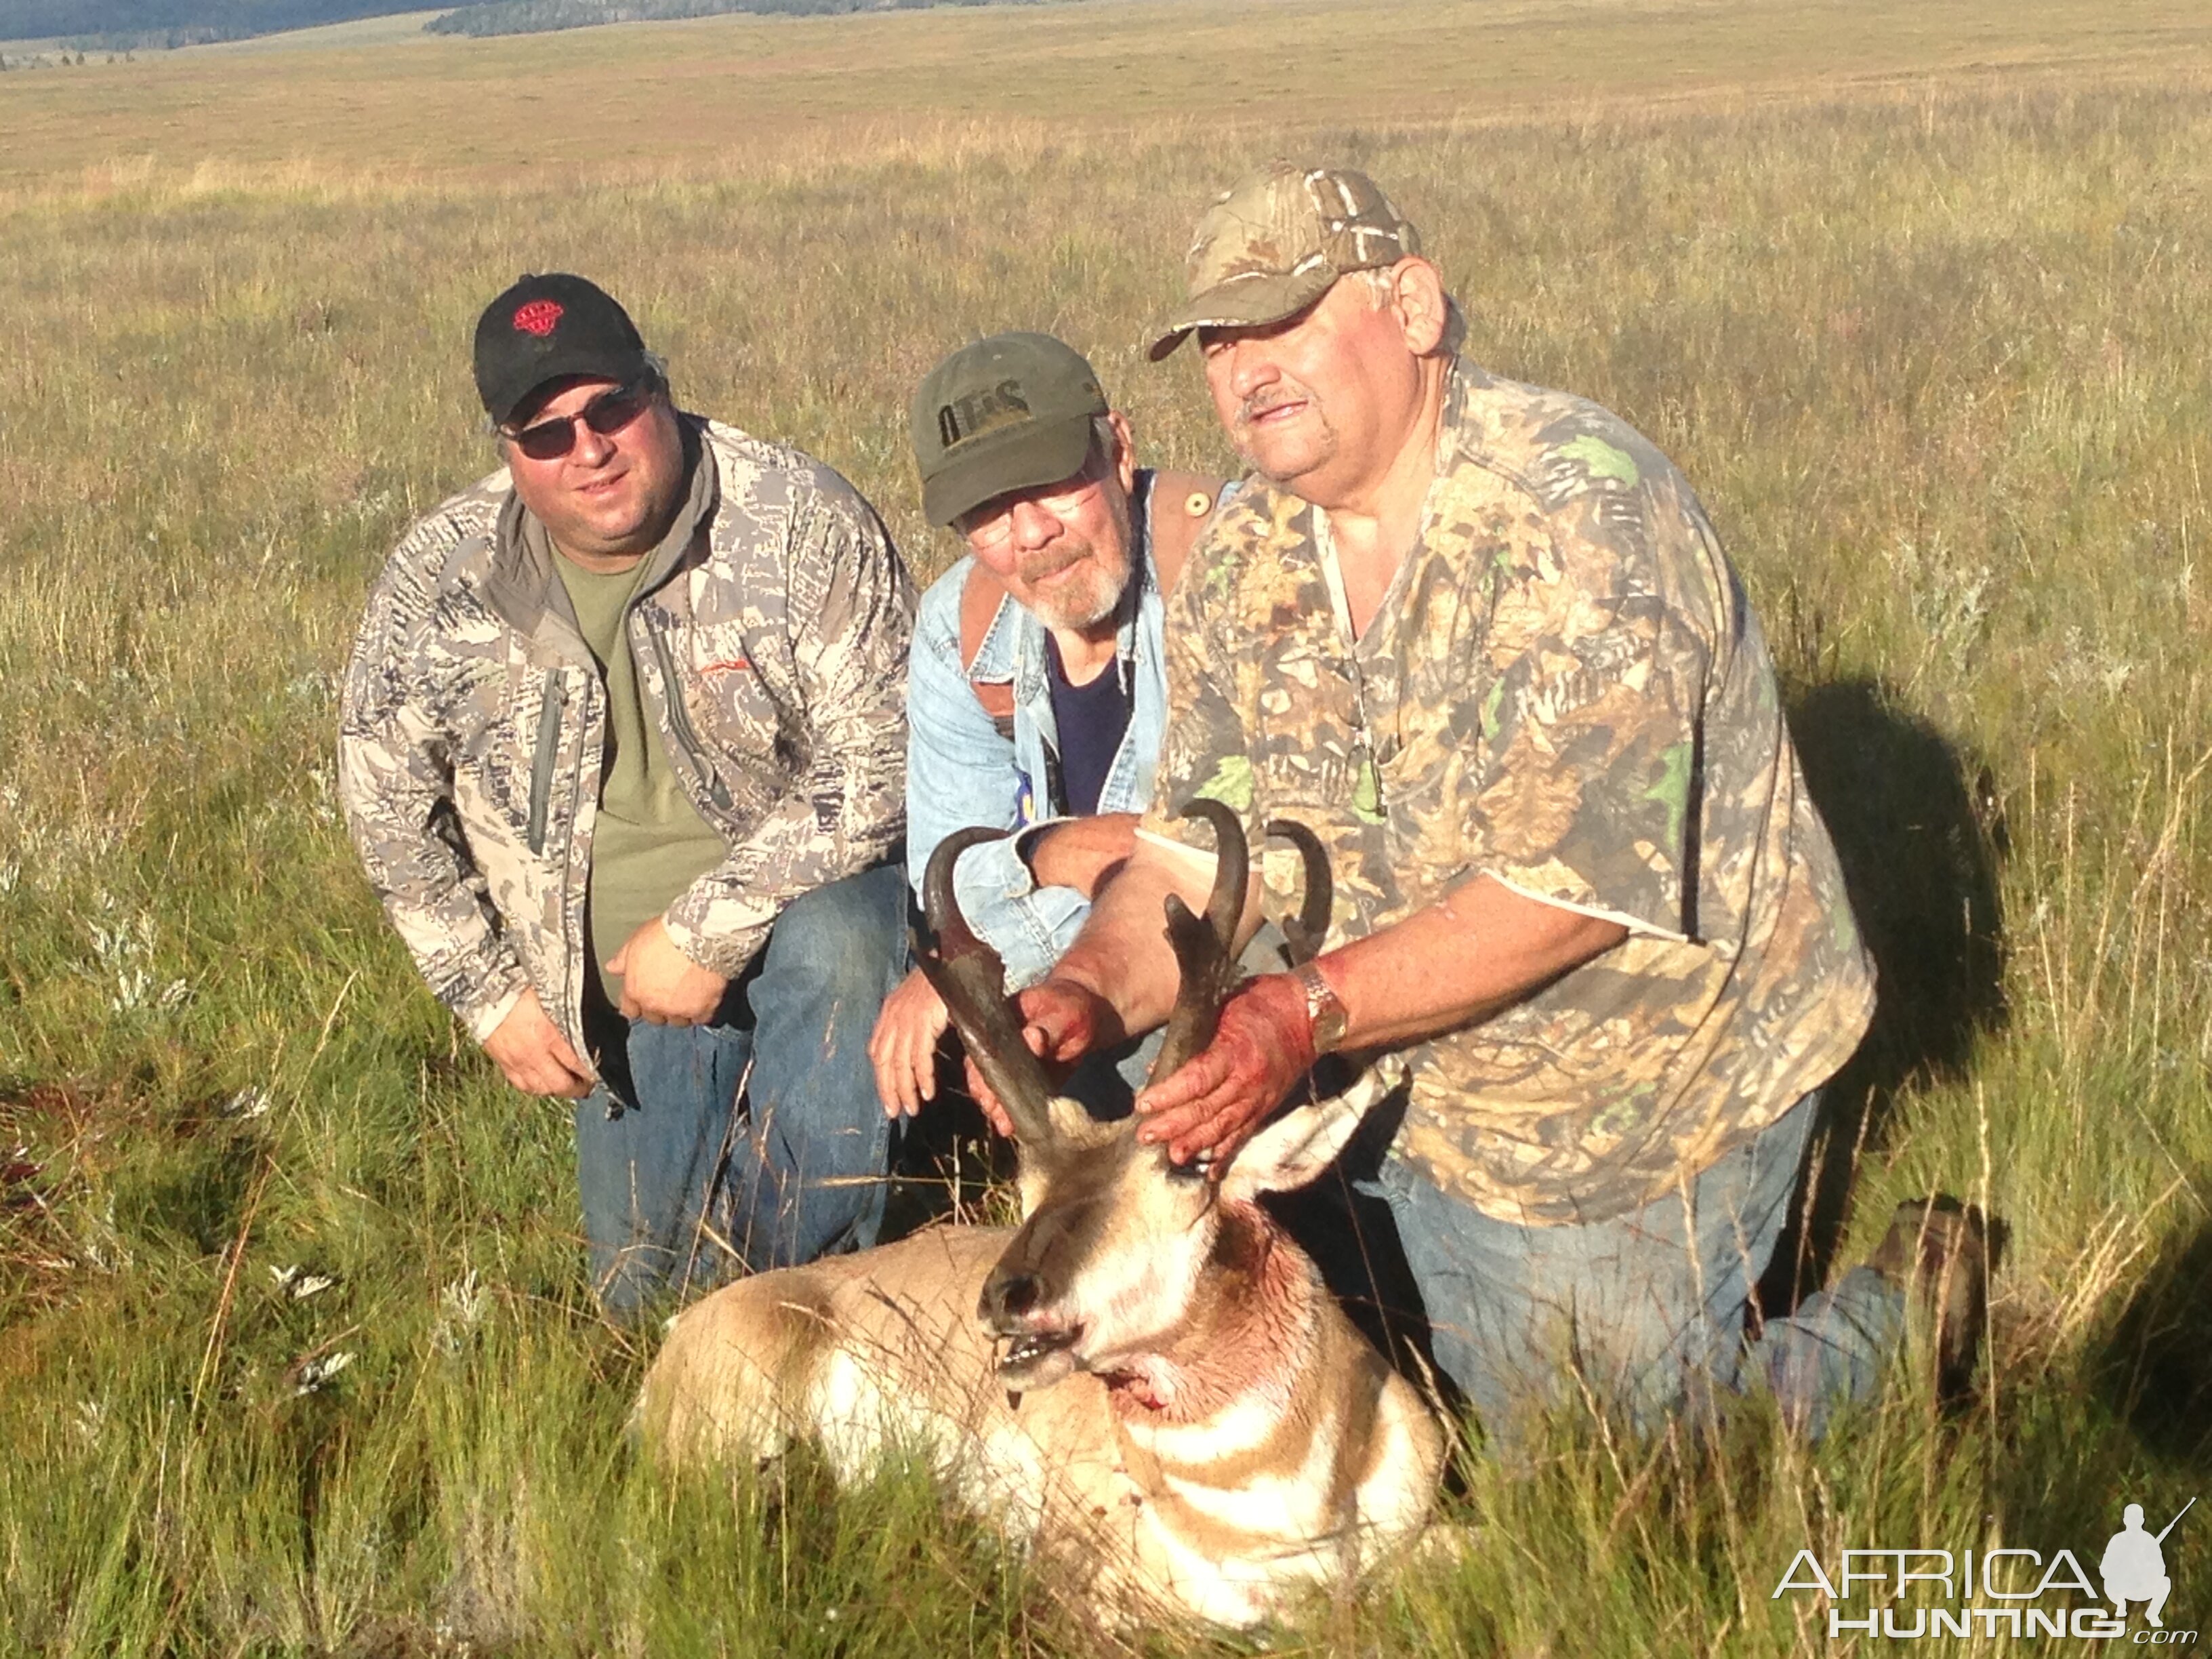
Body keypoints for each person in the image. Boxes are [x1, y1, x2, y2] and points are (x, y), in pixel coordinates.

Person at [982, 164, 1987, 1442]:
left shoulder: (1581, 513)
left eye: (1286, 321)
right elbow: (1188, 853)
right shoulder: (1245, 548)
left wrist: (1297, 1015)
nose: (1246, 371)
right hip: (1378, 1060)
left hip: (1634, 1088)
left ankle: (1906, 1314)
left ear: (1410, 305)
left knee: (1582, 1442)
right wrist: (1076, 992)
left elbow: (1564, 900)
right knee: (1270, 1311)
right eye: (1219, 344)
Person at [340, 272, 912, 1317]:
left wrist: (704, 928)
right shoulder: (444, 572)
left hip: (798, 921)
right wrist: (488, 995)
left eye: (611, 409)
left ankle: (794, 1309)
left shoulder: (799, 520)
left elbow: (879, 763)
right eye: (546, 434)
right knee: (636, 1302)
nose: (589, 449)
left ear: (659, 390)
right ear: (508, 452)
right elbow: (384, 794)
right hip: (612, 989)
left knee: (847, 947)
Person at [868, 331, 1229, 1120]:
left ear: (1120, 448)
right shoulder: (956, 625)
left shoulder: (1236, 567)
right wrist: (1052, 852)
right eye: (987, 513)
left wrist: (1021, 924)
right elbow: (949, 884)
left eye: (1052, 484)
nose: (1030, 534)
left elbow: (1225, 868)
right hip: (1086, 991)